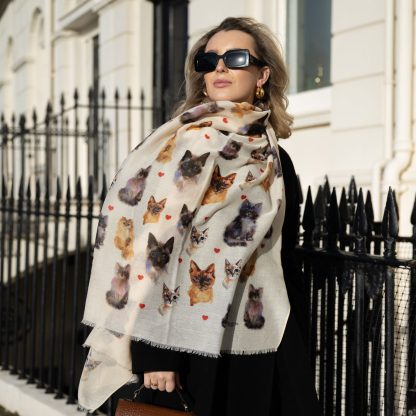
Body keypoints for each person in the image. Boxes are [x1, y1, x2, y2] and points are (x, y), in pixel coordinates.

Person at [78, 16, 322, 416]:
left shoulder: (275, 157)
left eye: (235, 57)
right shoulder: (180, 147)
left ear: (263, 75)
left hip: (262, 340)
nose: (220, 67)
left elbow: (283, 253)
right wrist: (153, 351)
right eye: (209, 61)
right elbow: (149, 245)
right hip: (187, 345)